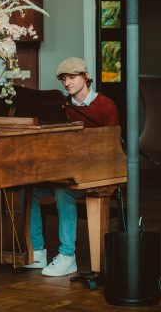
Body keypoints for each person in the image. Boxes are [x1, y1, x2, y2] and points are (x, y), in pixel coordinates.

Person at [23, 57, 119, 276]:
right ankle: (37, 251)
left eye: (72, 77)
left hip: (97, 173)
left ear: (85, 77)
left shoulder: (106, 106)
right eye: (63, 78)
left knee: (62, 191)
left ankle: (68, 256)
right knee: (30, 190)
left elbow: (111, 148)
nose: (67, 82)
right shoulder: (61, 107)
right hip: (67, 170)